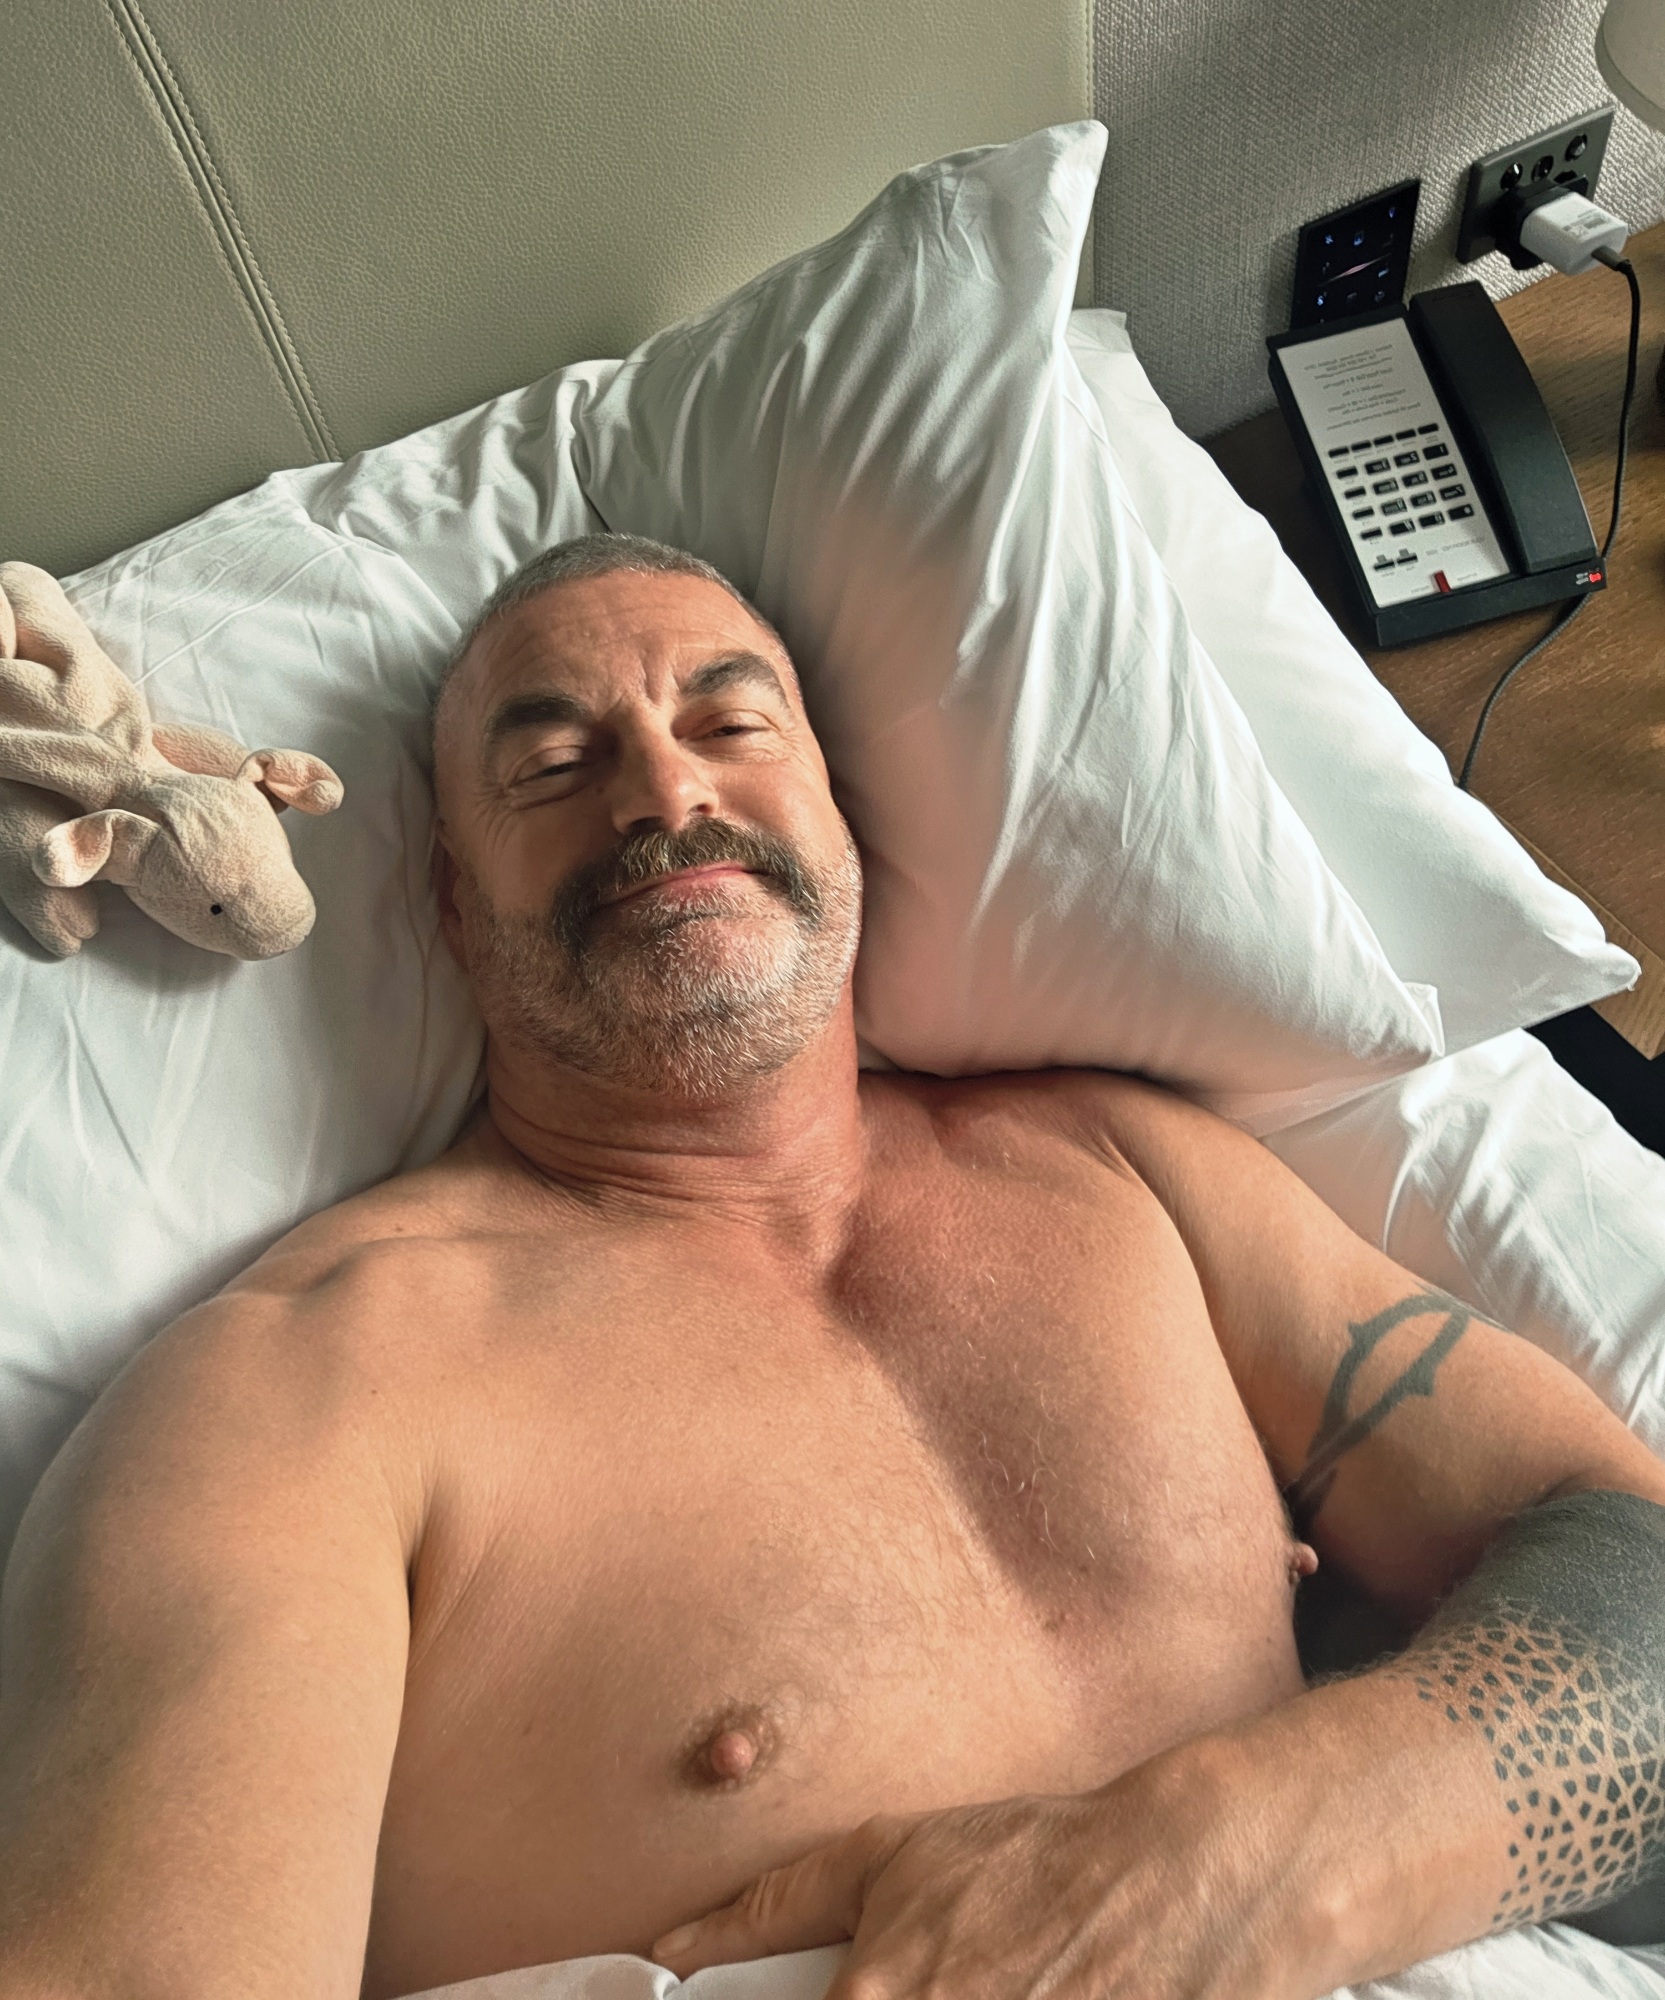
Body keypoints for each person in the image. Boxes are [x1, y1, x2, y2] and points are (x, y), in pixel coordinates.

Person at [1, 534, 1661, 2000]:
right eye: (553, 764)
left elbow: (1633, 1580)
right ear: (450, 901)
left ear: (841, 816)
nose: (665, 796)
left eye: (730, 726)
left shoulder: (1116, 1167)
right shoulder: (302, 1386)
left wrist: (1225, 1859)